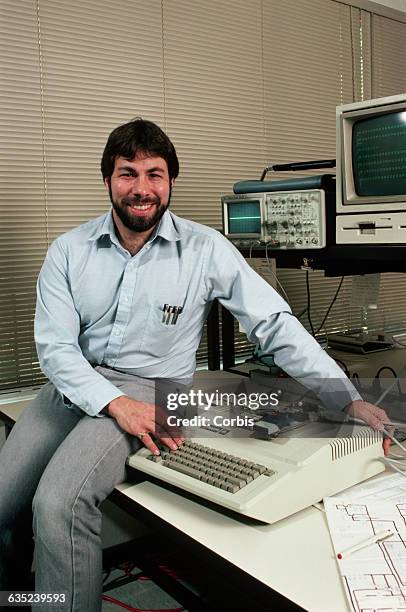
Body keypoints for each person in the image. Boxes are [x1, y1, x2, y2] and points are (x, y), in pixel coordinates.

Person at [0, 118, 390, 611]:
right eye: (127, 174)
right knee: (3, 503)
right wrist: (112, 402)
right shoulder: (68, 252)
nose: (141, 189)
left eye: (154, 174)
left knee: (58, 504)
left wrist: (345, 396)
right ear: (108, 181)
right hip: (74, 382)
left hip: (148, 389)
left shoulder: (206, 250)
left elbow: (273, 324)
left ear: (170, 183)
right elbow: (56, 349)